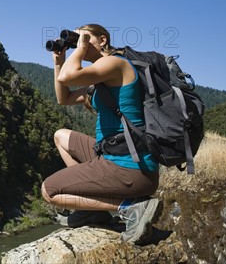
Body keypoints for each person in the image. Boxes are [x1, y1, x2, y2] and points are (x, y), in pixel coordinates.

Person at [40, 24, 162, 245]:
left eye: (84, 37)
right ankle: (92, 211)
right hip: (113, 157)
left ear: (103, 40)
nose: (79, 42)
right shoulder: (100, 80)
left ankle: (130, 207)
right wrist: (58, 61)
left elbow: (69, 77)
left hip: (131, 168)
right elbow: (63, 98)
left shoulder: (116, 64)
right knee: (61, 136)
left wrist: (78, 49)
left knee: (50, 191)